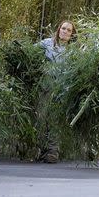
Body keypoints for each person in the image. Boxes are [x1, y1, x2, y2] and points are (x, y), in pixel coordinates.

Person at [38, 20, 76, 163]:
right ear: (58, 29)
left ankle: (53, 151)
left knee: (54, 119)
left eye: (68, 30)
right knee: (42, 117)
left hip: (61, 89)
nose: (65, 32)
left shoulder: (74, 51)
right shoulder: (47, 43)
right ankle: (41, 149)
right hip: (45, 87)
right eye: (63, 28)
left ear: (72, 35)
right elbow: (32, 53)